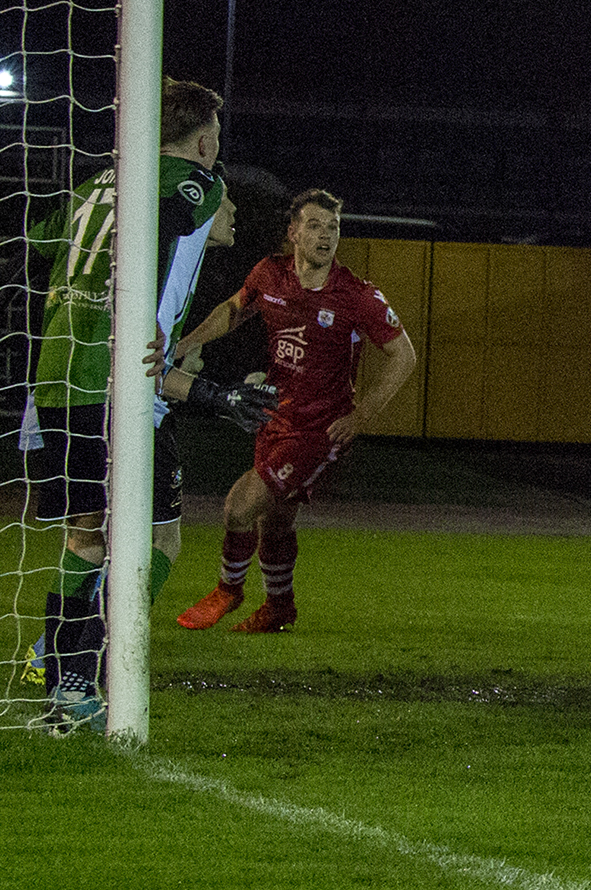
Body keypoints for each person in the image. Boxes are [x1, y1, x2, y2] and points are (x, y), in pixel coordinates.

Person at [25, 79, 275, 734]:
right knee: (158, 536)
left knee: (85, 534)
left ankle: (63, 675)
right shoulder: (193, 181)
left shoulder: (96, 183)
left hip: (56, 369)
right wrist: (137, 308)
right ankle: (86, 661)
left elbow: (40, 240)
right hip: (115, 379)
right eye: (214, 140)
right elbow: (168, 218)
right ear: (201, 139)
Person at [173, 189, 417, 634]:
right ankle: (280, 608)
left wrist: (362, 417)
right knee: (277, 522)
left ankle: (228, 590)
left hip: (319, 430)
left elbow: (404, 356)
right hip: (274, 417)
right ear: (293, 232)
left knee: (239, 507)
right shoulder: (269, 274)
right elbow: (234, 310)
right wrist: (185, 344)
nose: (325, 236)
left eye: (333, 228)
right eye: (315, 225)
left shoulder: (356, 296)